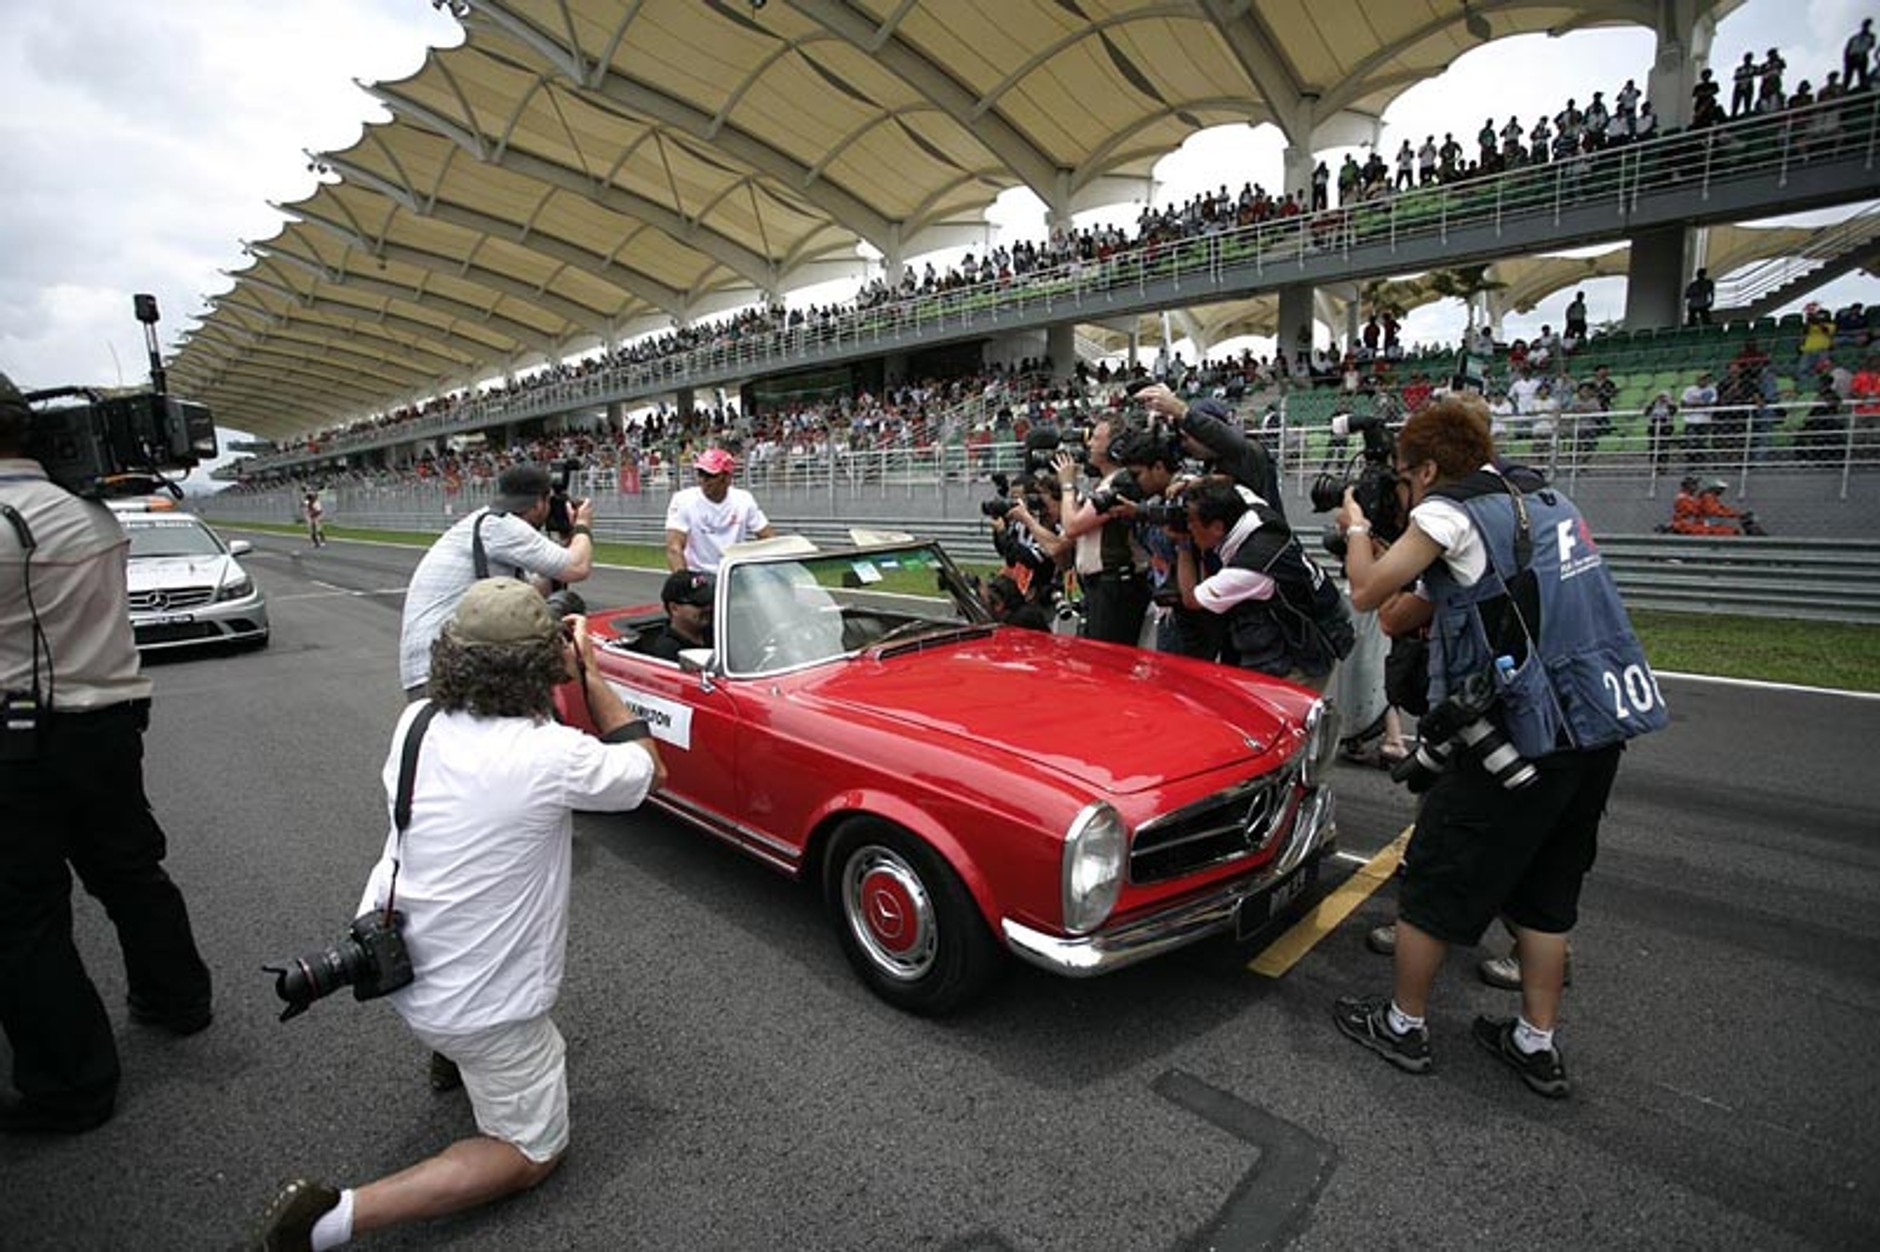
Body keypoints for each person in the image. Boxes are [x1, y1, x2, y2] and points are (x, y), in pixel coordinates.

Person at [255, 579, 665, 1249]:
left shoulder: (415, 720)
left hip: (396, 961)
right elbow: (647, 770)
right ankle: (329, 1220)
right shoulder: (549, 756)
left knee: (476, 1027)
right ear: (545, 664)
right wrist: (589, 673)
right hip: (478, 1004)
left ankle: (453, 1058)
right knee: (533, 1155)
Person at [1330, 395, 1663, 1098]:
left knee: (1438, 873)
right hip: (1594, 724)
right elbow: (1411, 610)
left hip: (1517, 731)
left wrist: (1359, 528)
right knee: (1548, 887)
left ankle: (1403, 1023)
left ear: (1423, 470)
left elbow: (1365, 595)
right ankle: (1535, 1041)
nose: (1400, 490)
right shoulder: (1541, 496)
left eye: (1401, 477)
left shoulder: (1447, 512)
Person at [0, 372, 214, 1134]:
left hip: (22, 733)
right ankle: (178, 997)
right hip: (109, 722)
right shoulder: (88, 515)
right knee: (129, 870)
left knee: (22, 915)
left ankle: (72, 1083)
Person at [397, 463, 596, 699]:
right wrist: (582, 525)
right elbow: (578, 567)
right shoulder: (501, 526)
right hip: (445, 668)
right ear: (539, 503)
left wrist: (567, 541)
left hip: (439, 665)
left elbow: (532, 594)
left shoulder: (489, 523)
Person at [1171, 479, 1352, 692]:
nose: (1188, 527)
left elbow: (1192, 600)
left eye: (1192, 522)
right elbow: (1237, 486)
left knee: (1272, 724)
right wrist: (1189, 482)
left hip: (1298, 664)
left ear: (1218, 527)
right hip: (1319, 630)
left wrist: (1182, 544)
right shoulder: (1256, 511)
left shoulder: (1249, 569)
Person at [1054, 418, 1149, 646]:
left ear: (1116, 446)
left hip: (1115, 583)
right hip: (1102, 584)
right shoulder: (1106, 482)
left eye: (1096, 439)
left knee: (1108, 659)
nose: (1090, 445)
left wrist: (1067, 485)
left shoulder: (1120, 483)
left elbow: (1072, 526)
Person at [664, 447, 773, 574]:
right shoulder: (683, 500)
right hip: (698, 574)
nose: (703, 480)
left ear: (727, 478)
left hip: (734, 574)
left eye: (710, 475)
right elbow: (674, 547)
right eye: (701, 473)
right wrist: (682, 578)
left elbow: (768, 537)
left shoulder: (744, 500)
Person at [643, 569, 714, 661]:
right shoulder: (667, 651)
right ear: (674, 608)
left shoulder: (717, 632)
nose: (707, 608)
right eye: (699, 603)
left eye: (709, 601)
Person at [1848, 18, 1876, 93]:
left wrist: (1862, 51)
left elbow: (1871, 45)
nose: (1866, 27)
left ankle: (1862, 89)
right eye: (1865, 25)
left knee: (1862, 75)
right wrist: (1848, 58)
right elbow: (1848, 48)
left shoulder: (1871, 36)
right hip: (1852, 56)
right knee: (1848, 75)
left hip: (1862, 56)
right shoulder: (1854, 37)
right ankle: (1845, 90)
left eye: (1867, 25)